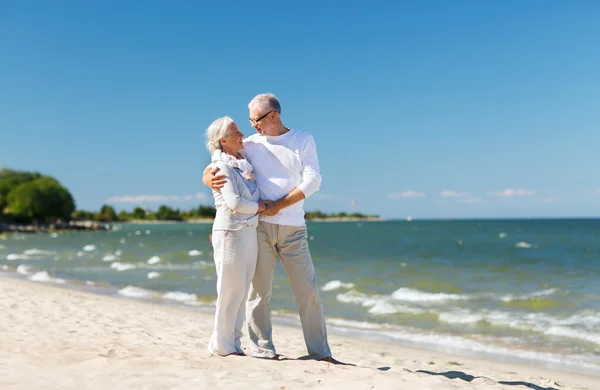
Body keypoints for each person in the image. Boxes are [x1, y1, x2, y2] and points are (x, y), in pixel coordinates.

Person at [203, 93, 336, 362]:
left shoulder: (302, 140)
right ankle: (263, 350)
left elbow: (313, 181)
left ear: (272, 116)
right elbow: (220, 158)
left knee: (308, 292)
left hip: (293, 228)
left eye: (255, 120)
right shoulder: (249, 144)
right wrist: (206, 177)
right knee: (258, 293)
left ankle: (320, 354)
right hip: (259, 228)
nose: (252, 126)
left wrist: (278, 205)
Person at [204, 116, 267, 357]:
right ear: (223, 140)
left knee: (241, 291)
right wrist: (261, 207)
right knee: (229, 290)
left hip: (248, 234)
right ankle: (221, 344)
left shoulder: (242, 165)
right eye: (236, 132)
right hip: (230, 233)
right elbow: (235, 202)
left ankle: (234, 343)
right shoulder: (220, 167)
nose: (242, 135)